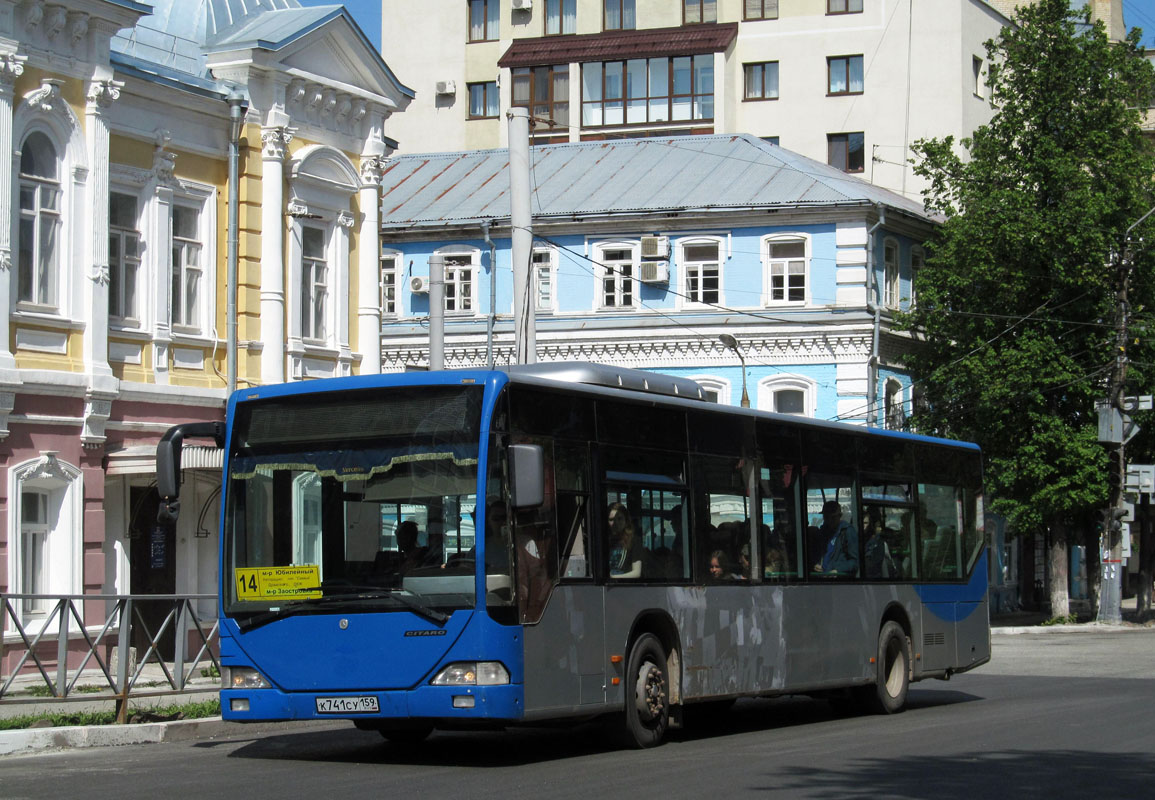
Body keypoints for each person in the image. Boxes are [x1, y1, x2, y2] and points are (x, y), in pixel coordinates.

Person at [813, 500, 858, 576]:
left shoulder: (847, 531)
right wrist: (816, 564)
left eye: (833, 518)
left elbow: (855, 562)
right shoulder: (823, 532)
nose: (829, 521)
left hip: (839, 581)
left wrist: (838, 570)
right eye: (826, 517)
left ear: (840, 516)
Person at [607, 501, 642, 578]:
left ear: (626, 520)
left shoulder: (634, 540)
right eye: (611, 519)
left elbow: (637, 572)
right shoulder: (603, 540)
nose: (615, 523)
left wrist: (612, 578)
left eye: (619, 519)